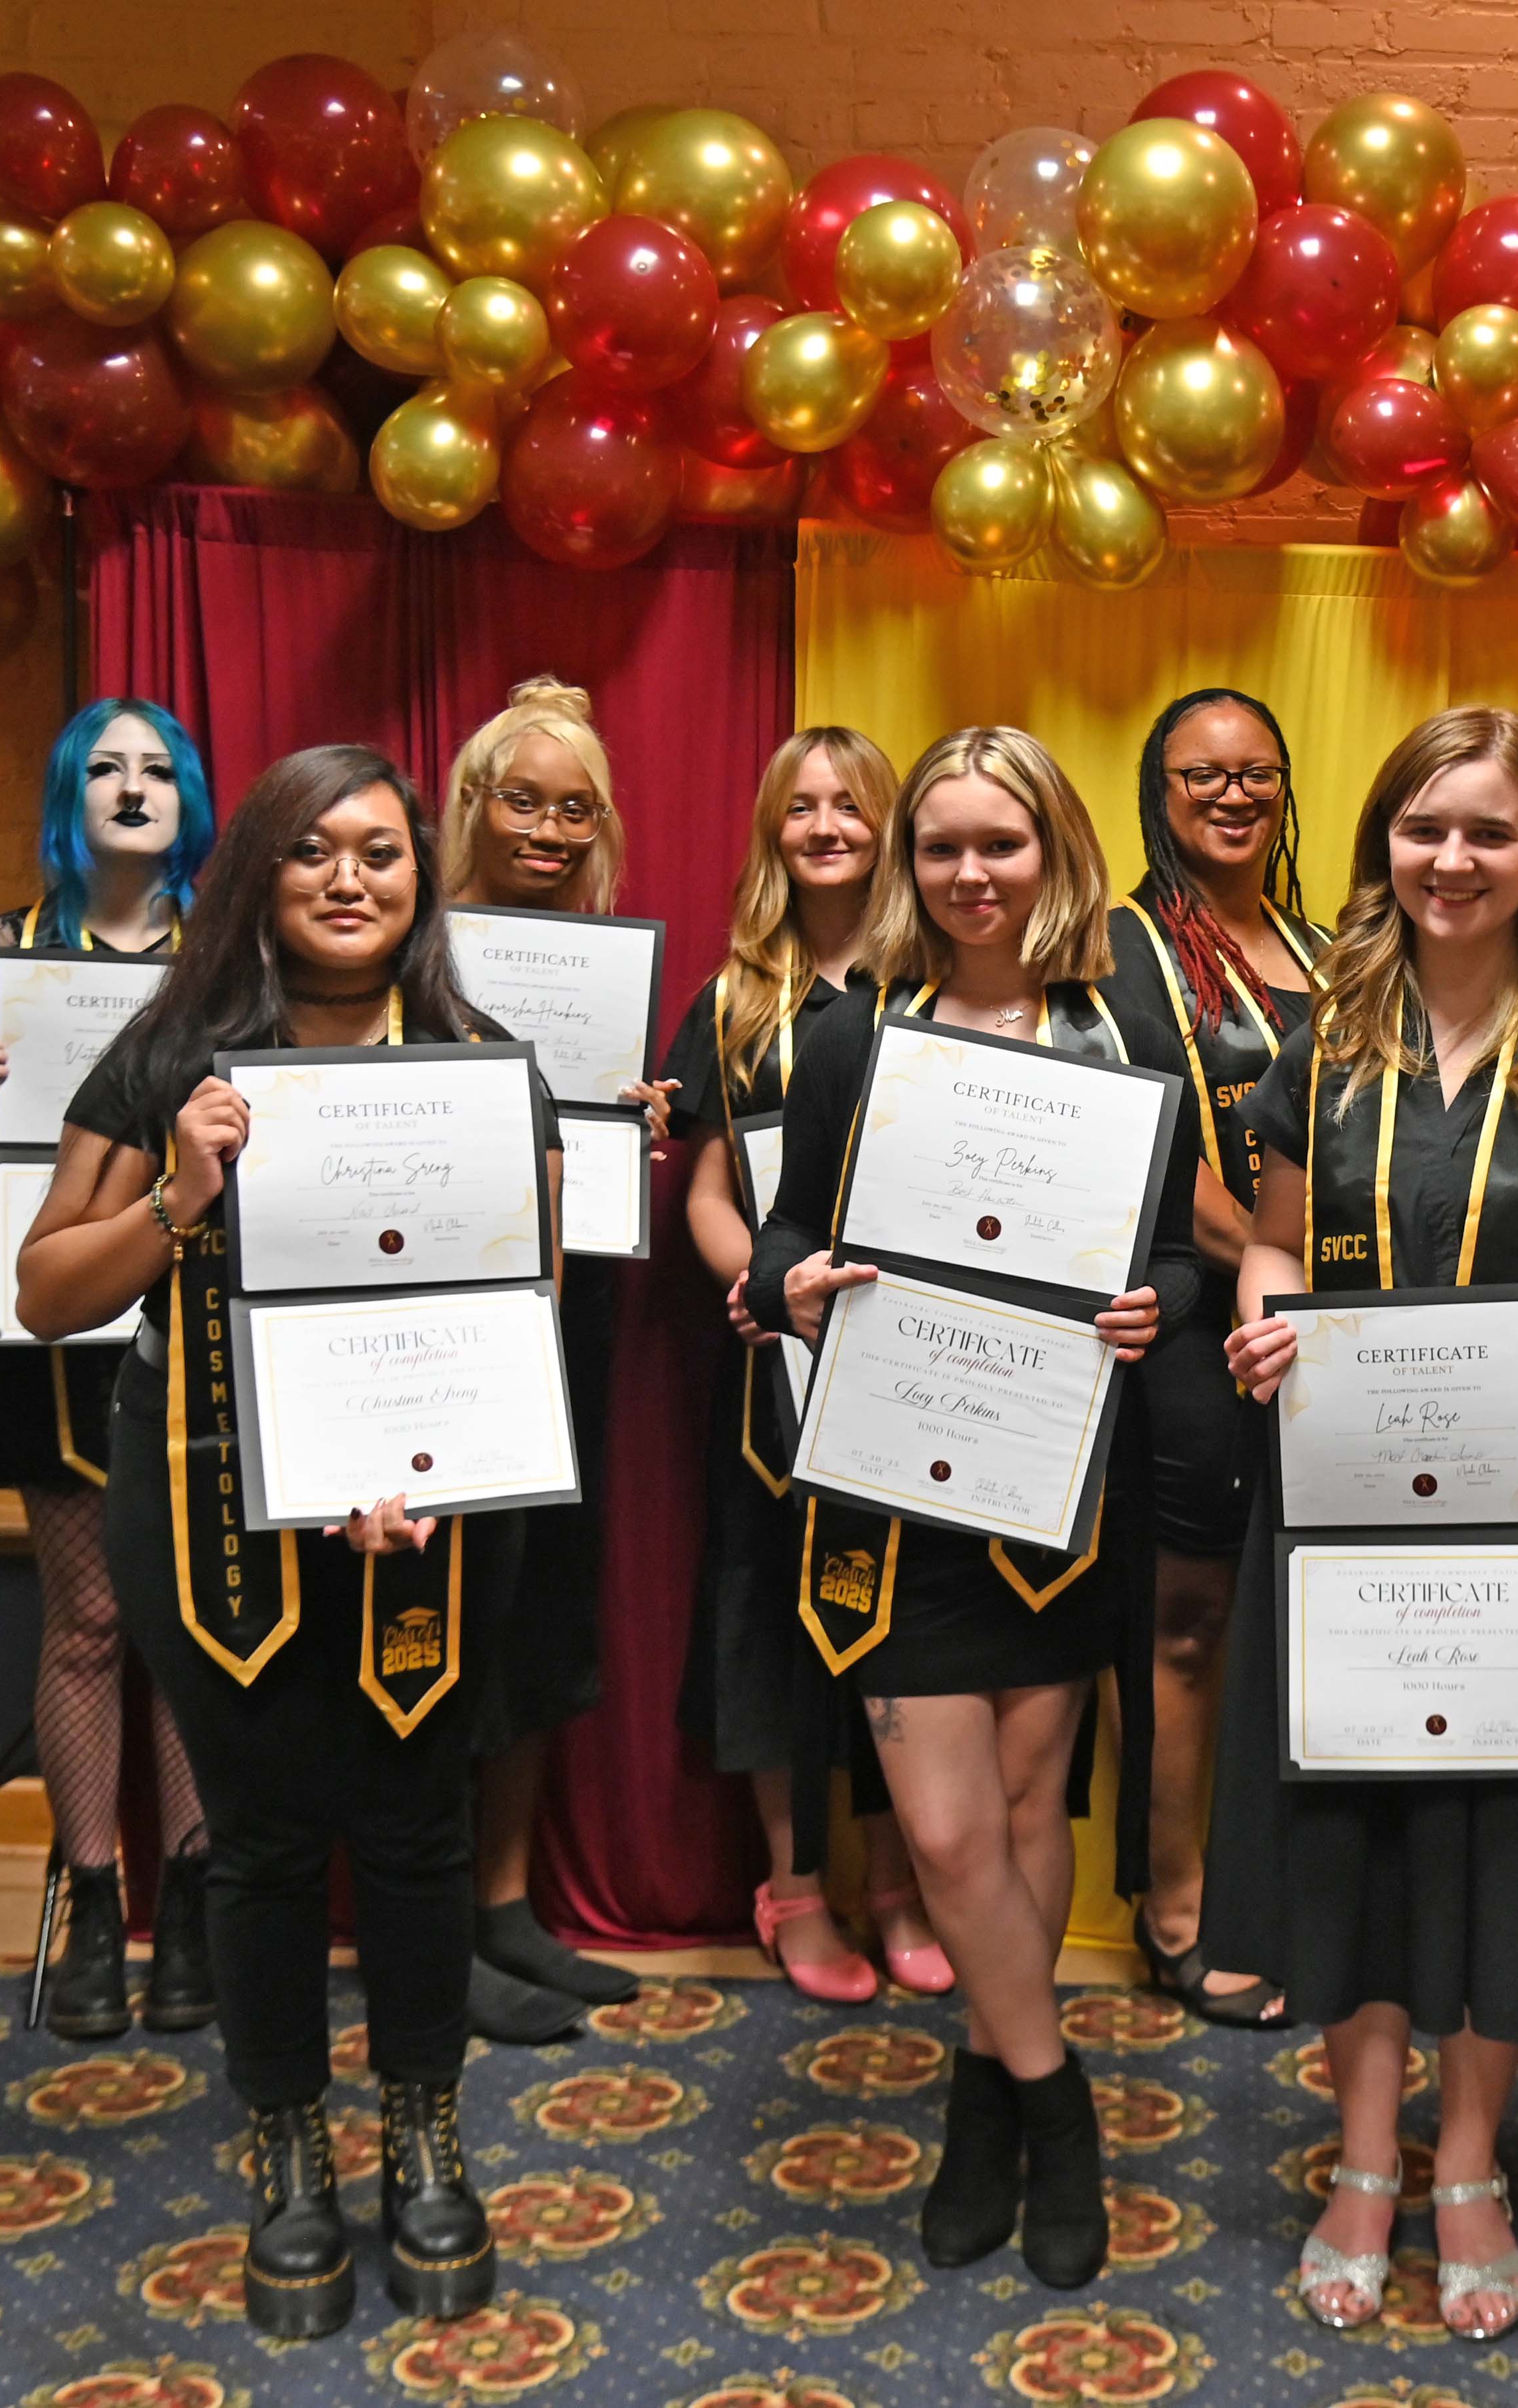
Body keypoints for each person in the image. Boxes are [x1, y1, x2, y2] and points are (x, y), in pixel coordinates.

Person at [15, 745, 554, 2341]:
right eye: (312, 850)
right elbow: (49, 1291)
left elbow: (517, 1305)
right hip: (205, 1505)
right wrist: (183, 1191)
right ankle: (286, 2150)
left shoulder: (479, 1060)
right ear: (257, 869)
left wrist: (440, 1460)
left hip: (425, 1515)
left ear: (418, 878)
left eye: (380, 853)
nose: (347, 880)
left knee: (412, 1828)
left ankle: (421, 2129)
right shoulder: (170, 1052)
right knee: (252, 1841)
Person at [1206, 705, 1518, 2342]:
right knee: (1351, 1837)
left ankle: (1473, 2163)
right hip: (1338, 1513)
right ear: (1383, 846)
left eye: (1488, 831)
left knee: (1500, 1844)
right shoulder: (1324, 1036)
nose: (1451, 860)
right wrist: (1261, 1317)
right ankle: (1363, 2160)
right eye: (1424, 828)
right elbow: (1271, 1245)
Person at [752, 727, 1204, 2290]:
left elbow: (1188, 1251)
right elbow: (778, 1236)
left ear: (1049, 850)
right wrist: (788, 1282)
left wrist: (1160, 1300)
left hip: (1059, 1493)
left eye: (996, 844)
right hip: (894, 1499)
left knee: (1020, 1825)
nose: (965, 873)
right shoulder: (848, 1033)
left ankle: (977, 2098)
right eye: (937, 845)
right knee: (942, 1832)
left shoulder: (1117, 1026)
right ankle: (1051, 2096)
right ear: (903, 860)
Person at [657, 725, 952, 2004]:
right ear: (772, 831)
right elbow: (712, 1185)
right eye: (800, 807)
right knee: (776, 1615)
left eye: (850, 804)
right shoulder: (731, 1001)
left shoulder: (933, 981)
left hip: (910, 1350)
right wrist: (754, 1283)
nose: (825, 825)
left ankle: (895, 1881)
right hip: (777, 1358)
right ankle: (795, 1885)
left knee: (899, 1608)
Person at [0, 698, 218, 2044]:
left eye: (156, 768)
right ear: (69, 793)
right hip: (50, 1334)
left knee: (179, 1624)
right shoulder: (5, 950)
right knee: (92, 1622)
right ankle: (97, 1896)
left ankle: (194, 1901)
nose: (131, 787)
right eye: (105, 767)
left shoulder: (222, 960)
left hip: (182, 1328)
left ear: (192, 800)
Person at [1096, 686, 1328, 2032]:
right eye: (1204, 774)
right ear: (1158, 788)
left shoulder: (1328, 938)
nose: (1233, 795)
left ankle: (1274, 1886)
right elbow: (1151, 1139)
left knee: (1288, 1615)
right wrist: (1259, 1255)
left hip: (1317, 1321)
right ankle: (1174, 1894)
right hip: (1197, 1326)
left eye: (1257, 771)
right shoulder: (1122, 947)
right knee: (1183, 1618)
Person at [435, 678, 643, 2036]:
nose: (552, 829)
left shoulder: (599, 969)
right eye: (526, 799)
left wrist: (634, 1117)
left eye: (577, 807)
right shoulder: (405, 953)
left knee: (532, 1609)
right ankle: (436, 1915)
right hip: (437, 1330)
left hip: (566, 1322)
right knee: (441, 1620)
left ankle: (507, 1902)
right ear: (472, 808)